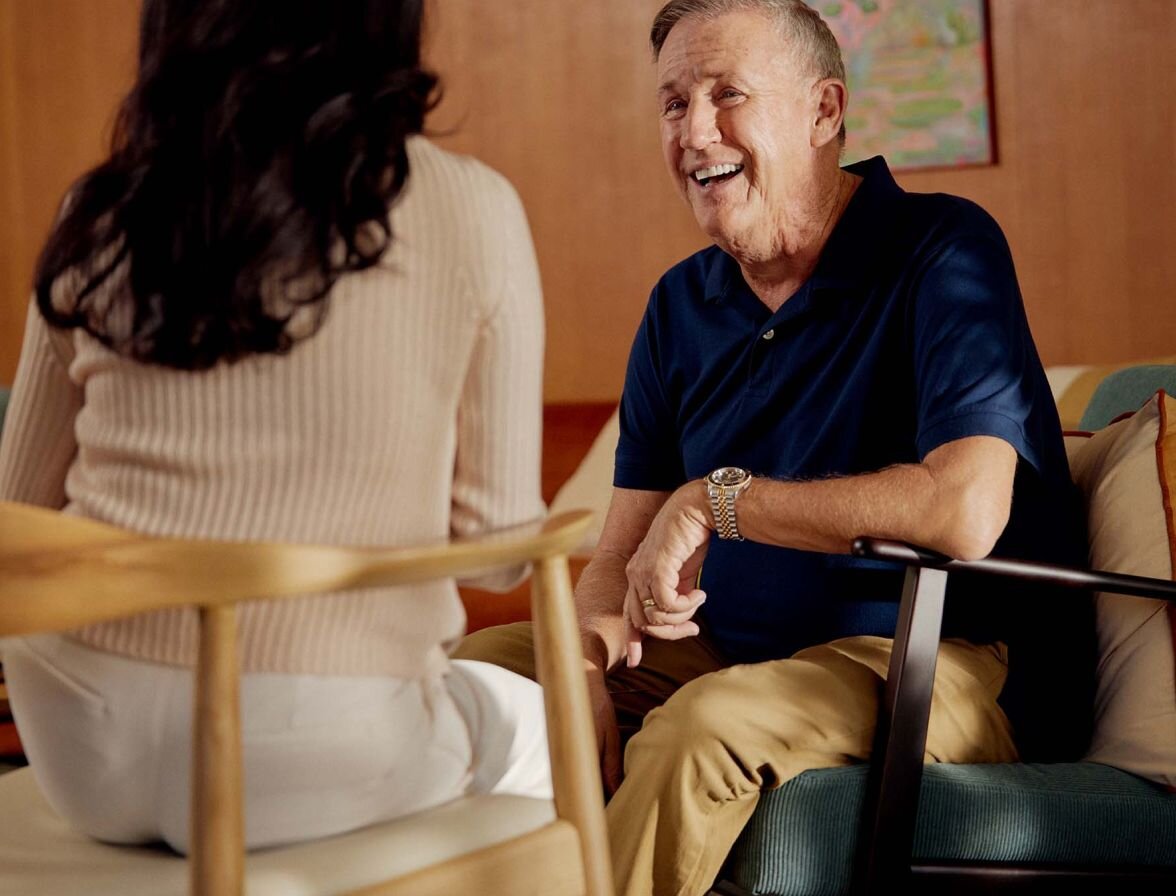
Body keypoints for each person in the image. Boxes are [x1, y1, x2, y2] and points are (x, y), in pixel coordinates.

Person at [455, 1, 1094, 894]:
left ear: (824, 112)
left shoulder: (943, 249)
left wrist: (717, 498)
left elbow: (963, 511)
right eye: (674, 104)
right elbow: (617, 549)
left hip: (933, 659)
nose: (695, 131)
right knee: (479, 680)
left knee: (702, 728)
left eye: (729, 94)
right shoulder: (679, 306)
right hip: (730, 653)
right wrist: (587, 661)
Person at [0, 0, 550, 854]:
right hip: (316, 743)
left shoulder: (102, 207)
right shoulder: (473, 207)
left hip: (81, 732)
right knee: (539, 727)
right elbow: (499, 548)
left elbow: (14, 510)